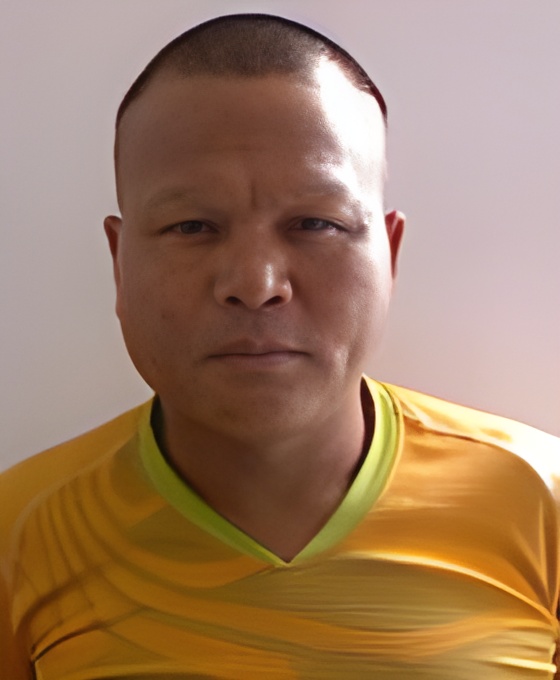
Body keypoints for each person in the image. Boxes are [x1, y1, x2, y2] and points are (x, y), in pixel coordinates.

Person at [1, 12, 559, 680]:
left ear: (390, 255)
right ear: (120, 263)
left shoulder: (543, 505)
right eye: (191, 226)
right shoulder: (17, 532)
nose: (255, 284)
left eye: (316, 223)